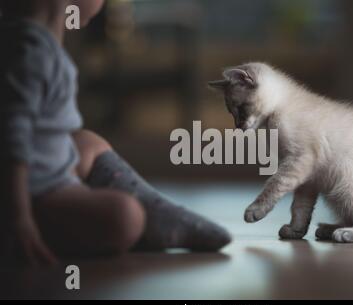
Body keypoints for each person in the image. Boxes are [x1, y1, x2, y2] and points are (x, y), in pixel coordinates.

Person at [0, 0, 231, 266]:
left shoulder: (27, 39)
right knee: (126, 216)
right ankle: (152, 221)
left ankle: (161, 217)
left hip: (34, 175)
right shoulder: (31, 52)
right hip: (27, 194)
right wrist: (19, 217)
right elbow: (11, 137)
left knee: (87, 142)